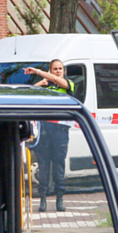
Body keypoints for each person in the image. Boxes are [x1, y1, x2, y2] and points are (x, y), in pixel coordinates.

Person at [24, 60, 75, 212]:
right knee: (43, 165)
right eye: (55, 69)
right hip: (44, 131)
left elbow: (60, 82)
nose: (58, 71)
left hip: (60, 131)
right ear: (50, 70)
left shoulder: (68, 84)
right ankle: (43, 198)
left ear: (64, 71)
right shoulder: (45, 85)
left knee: (58, 164)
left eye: (60, 69)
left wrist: (38, 72)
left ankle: (60, 198)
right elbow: (28, 94)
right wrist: (39, 84)